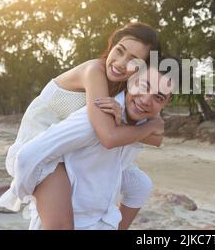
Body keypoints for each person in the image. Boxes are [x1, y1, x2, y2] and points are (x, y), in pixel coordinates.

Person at [0, 22, 164, 229]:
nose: (121, 63)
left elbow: (158, 137)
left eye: (133, 61)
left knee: (140, 185)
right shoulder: (93, 70)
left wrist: (133, 122)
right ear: (111, 45)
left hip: (71, 148)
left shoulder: (130, 88)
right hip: (42, 151)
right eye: (119, 51)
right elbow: (109, 136)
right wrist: (146, 127)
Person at [13, 64, 178, 230]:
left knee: (141, 184)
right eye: (143, 86)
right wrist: (29, 196)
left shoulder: (140, 117)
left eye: (158, 97)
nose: (145, 100)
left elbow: (158, 136)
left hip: (103, 219)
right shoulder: (97, 116)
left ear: (165, 103)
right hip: (69, 218)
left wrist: (148, 127)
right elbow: (27, 156)